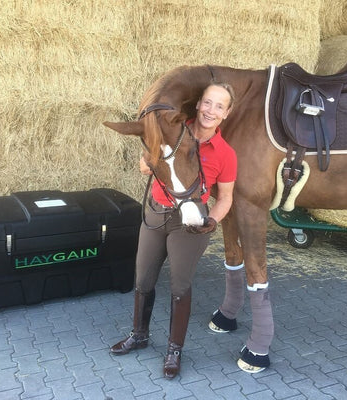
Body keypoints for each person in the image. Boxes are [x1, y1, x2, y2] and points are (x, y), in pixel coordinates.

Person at [109, 82, 237, 379]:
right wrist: (151, 155)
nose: (211, 110)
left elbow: (226, 197)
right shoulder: (174, 128)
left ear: (227, 113)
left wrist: (213, 221)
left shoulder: (225, 153)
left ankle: (174, 350)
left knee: (180, 287)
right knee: (143, 279)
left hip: (189, 223)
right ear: (198, 104)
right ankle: (139, 335)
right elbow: (144, 167)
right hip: (156, 213)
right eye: (207, 102)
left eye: (219, 106)